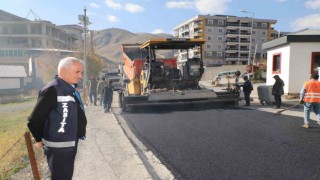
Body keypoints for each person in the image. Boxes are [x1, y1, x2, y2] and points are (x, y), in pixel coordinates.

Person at [27, 57, 87, 180]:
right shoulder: (53, 90)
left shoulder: (67, 89)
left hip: (68, 143)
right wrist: (38, 139)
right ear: (63, 71)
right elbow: (34, 119)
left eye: (81, 72)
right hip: (59, 147)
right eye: (77, 72)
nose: (80, 76)